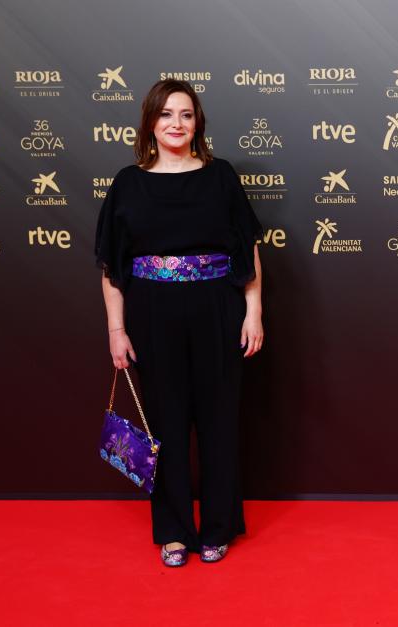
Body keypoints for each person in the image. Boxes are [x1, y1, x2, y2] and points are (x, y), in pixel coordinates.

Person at [95, 79, 263, 567]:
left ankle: (216, 527)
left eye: (186, 115)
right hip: (151, 312)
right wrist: (117, 329)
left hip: (218, 307)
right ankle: (172, 530)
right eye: (166, 114)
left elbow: (247, 248)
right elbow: (112, 267)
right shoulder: (128, 182)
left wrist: (253, 312)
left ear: (198, 123)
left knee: (218, 421)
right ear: (150, 122)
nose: (176, 123)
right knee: (164, 423)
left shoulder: (221, 176)